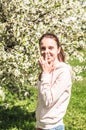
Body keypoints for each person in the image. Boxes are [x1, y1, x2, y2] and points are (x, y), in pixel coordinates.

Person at [36, 33, 72, 130]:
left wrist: (45, 74)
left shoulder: (63, 72)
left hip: (53, 126)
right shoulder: (46, 68)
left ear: (58, 49)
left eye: (50, 48)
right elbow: (42, 100)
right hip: (41, 125)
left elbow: (48, 101)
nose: (46, 52)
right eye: (43, 48)